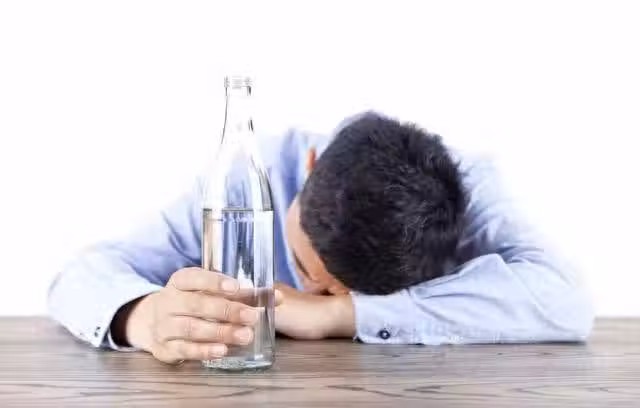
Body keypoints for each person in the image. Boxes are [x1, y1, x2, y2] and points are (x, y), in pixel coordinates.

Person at [48, 112, 594, 364]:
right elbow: (81, 274)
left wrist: (341, 315)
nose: (310, 294)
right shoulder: (249, 180)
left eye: (344, 289)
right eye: (307, 270)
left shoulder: (469, 189)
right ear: (308, 168)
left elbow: (566, 302)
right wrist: (141, 316)